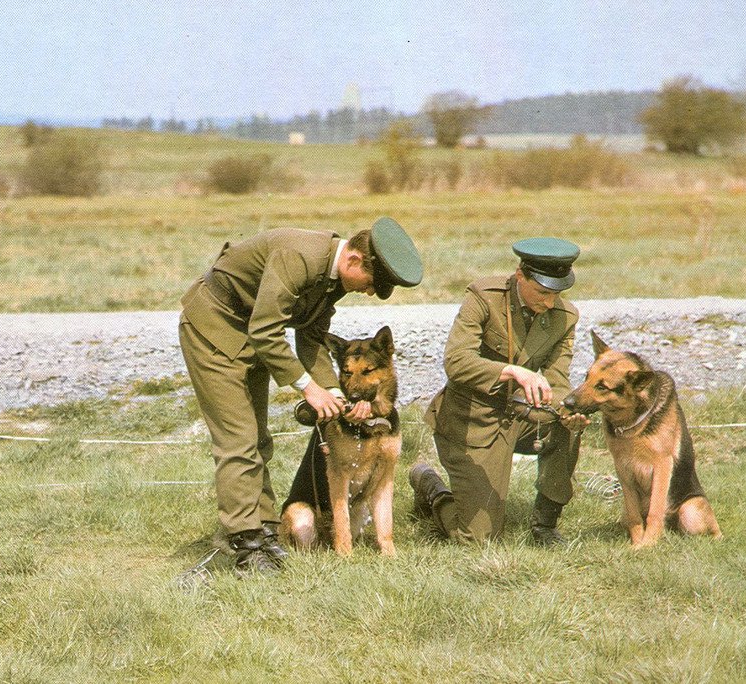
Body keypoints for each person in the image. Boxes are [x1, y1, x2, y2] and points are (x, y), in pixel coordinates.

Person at [179, 217, 422, 575]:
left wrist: (336, 395)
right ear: (355, 261)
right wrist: (308, 388)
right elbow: (265, 330)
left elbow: (311, 336)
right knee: (238, 441)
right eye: (371, 283)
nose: (370, 292)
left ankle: (263, 532)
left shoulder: (333, 277)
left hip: (252, 335)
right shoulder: (299, 257)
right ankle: (244, 545)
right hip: (215, 331)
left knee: (258, 440)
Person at [410, 237, 590, 545]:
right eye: (543, 292)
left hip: (520, 418)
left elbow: (557, 383)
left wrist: (568, 413)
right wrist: (512, 372)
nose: (550, 303)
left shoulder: (565, 316)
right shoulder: (484, 296)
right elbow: (456, 362)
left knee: (569, 423)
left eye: (557, 294)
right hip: (471, 422)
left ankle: (545, 523)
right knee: (480, 540)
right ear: (521, 275)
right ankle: (430, 487)